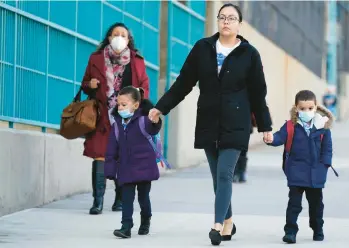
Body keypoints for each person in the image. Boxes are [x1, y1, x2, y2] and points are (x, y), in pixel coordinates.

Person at [148, 3, 273, 246]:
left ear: (239, 24)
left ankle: (216, 225)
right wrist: (160, 107)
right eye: (222, 17)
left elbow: (258, 93)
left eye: (232, 18)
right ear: (217, 21)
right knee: (218, 177)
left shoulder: (249, 54)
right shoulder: (202, 48)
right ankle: (228, 221)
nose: (226, 21)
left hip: (236, 122)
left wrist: (265, 126)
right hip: (208, 119)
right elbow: (183, 83)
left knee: (225, 173)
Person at [81, 22, 150, 215]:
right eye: (115, 34)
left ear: (129, 40)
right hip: (102, 115)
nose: (119, 38)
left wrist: (138, 94)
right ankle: (98, 201)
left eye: (123, 35)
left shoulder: (137, 61)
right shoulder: (96, 58)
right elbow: (85, 83)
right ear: (109, 38)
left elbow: (145, 86)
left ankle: (120, 199)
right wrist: (90, 84)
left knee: (123, 158)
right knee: (100, 156)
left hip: (125, 118)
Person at [265, 90, 333, 244]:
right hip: (296, 171)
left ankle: (317, 228)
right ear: (296, 108)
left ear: (316, 107)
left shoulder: (323, 126)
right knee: (294, 205)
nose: (306, 111)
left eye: (310, 108)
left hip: (316, 173)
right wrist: (270, 139)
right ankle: (290, 232)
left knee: (316, 206)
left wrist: (325, 165)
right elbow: (279, 137)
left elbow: (327, 149)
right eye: (302, 109)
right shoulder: (291, 126)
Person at [104, 86, 162, 239]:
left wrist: (156, 121)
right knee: (126, 198)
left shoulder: (143, 121)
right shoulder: (117, 125)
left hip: (144, 168)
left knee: (143, 198)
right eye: (119, 104)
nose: (120, 107)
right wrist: (110, 170)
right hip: (126, 168)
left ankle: (145, 220)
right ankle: (126, 226)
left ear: (136, 105)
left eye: (124, 104)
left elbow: (154, 128)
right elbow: (111, 150)